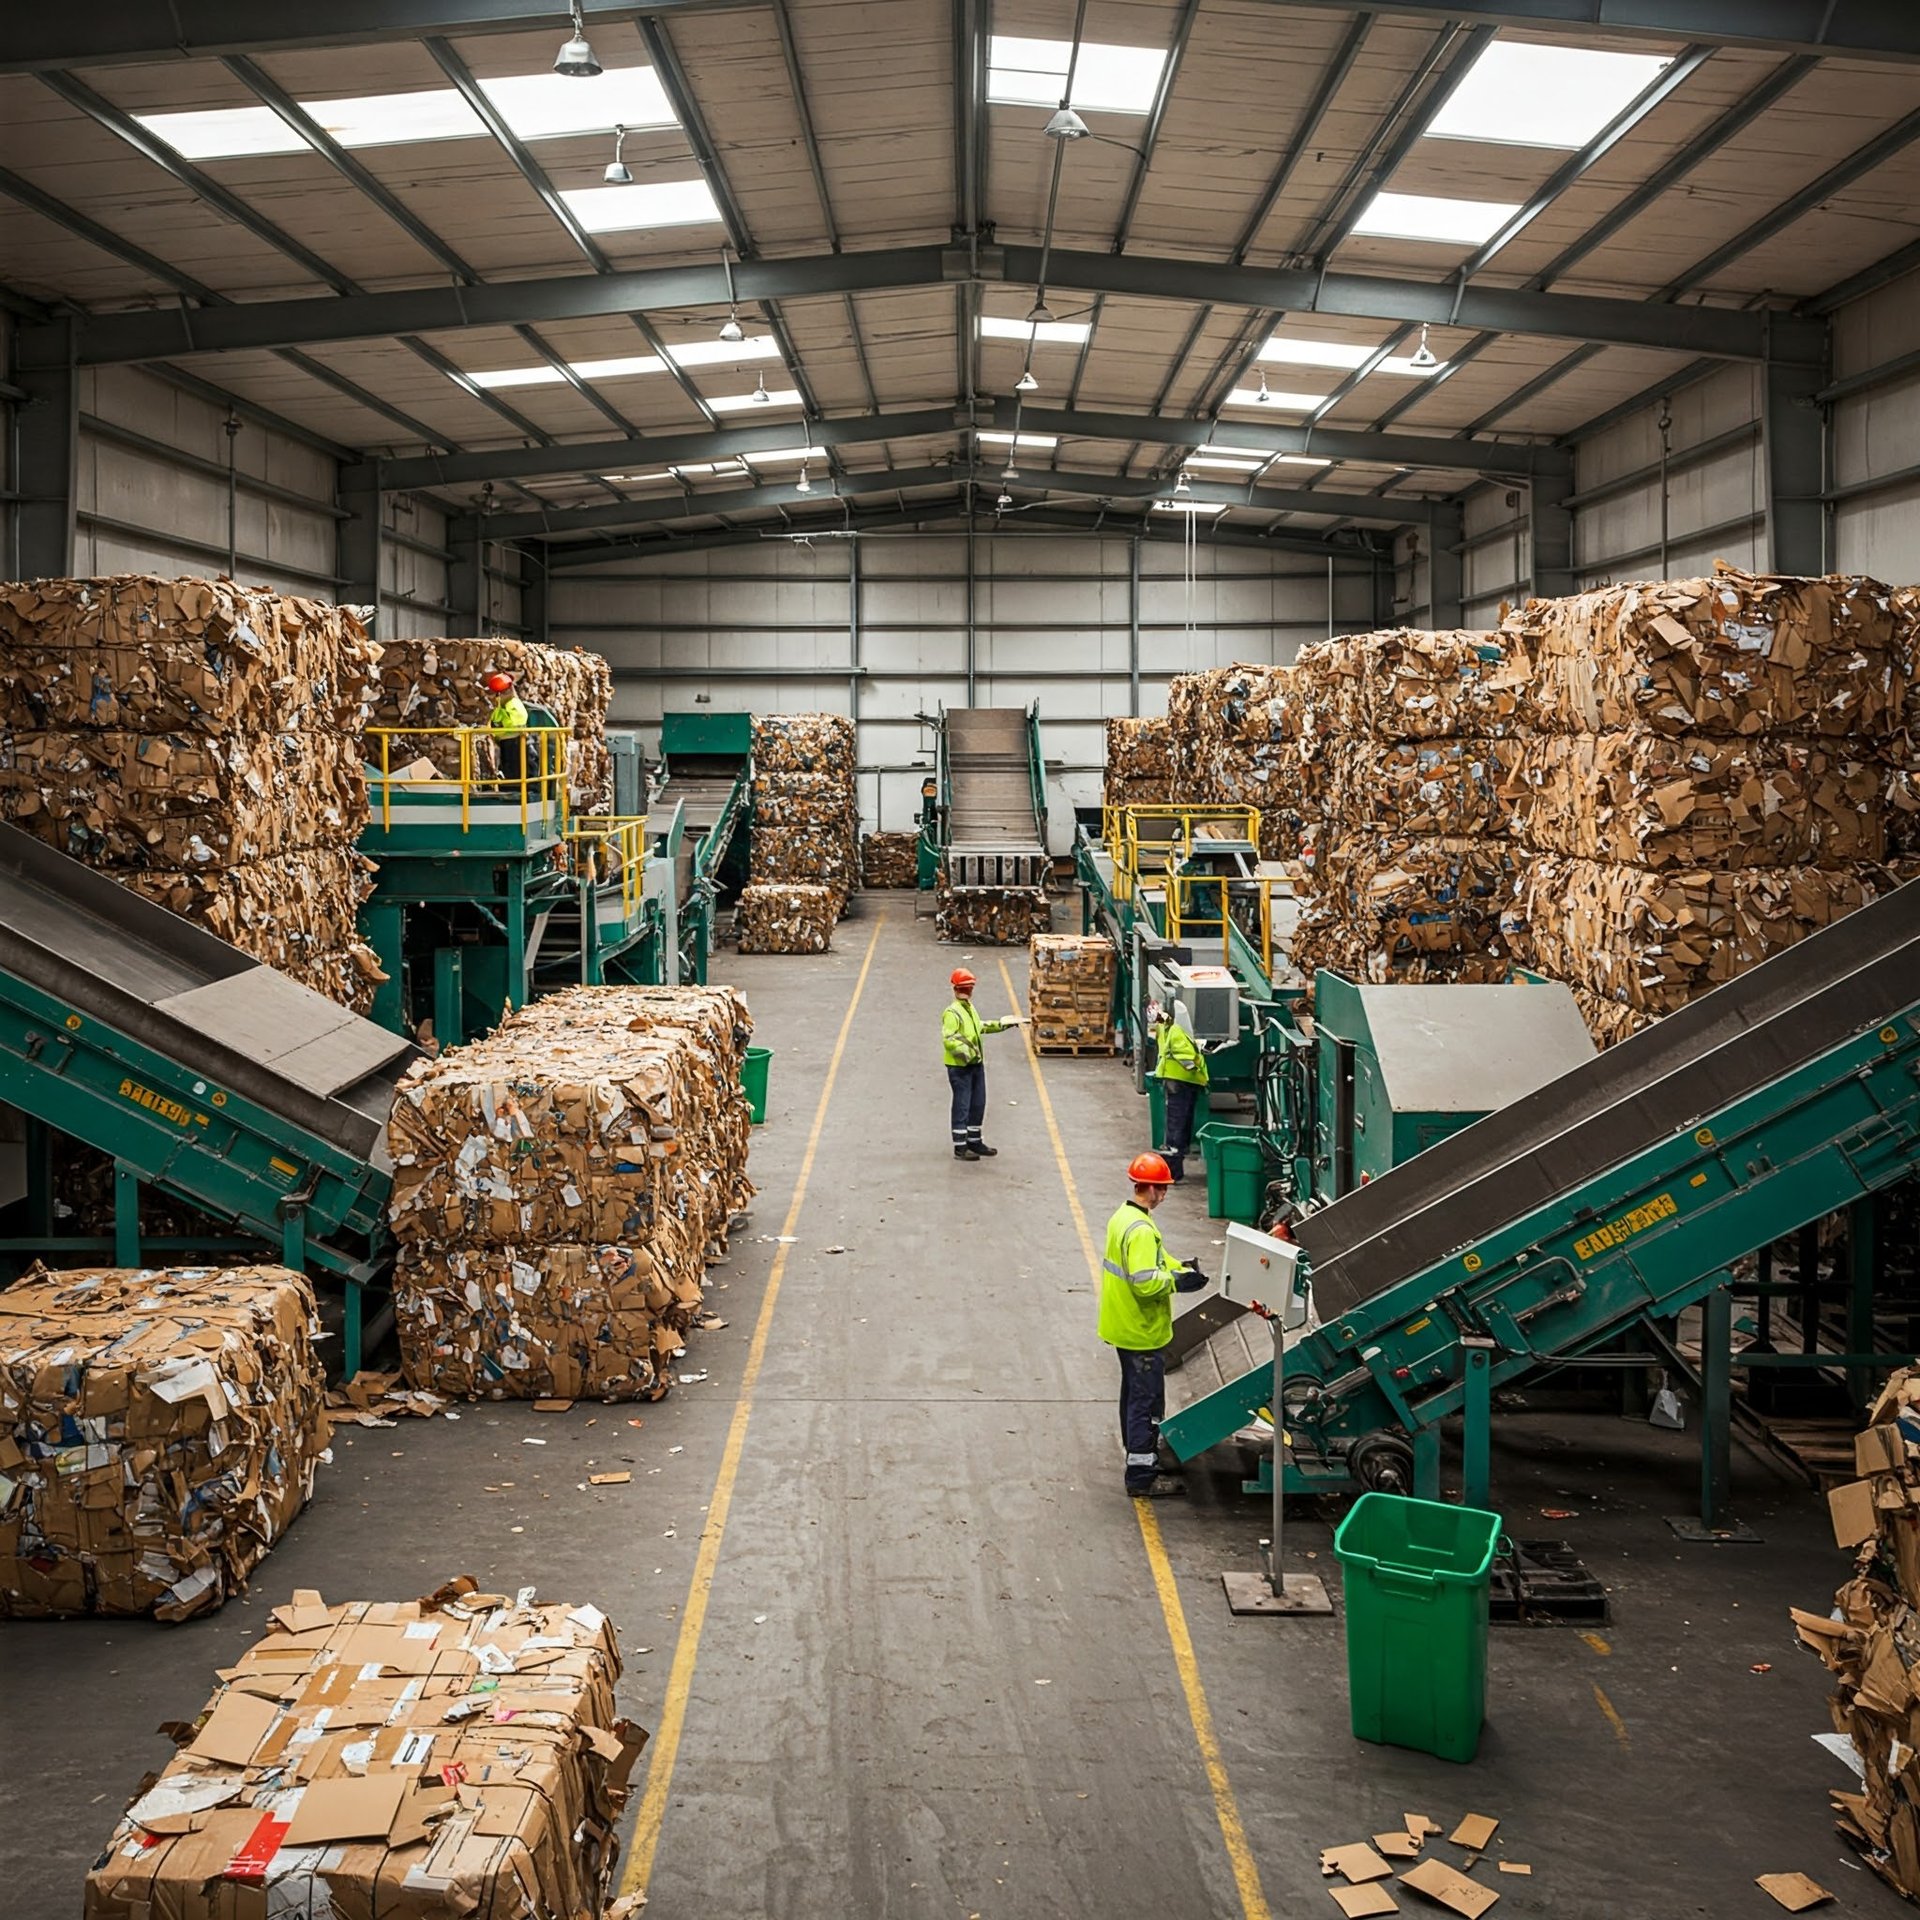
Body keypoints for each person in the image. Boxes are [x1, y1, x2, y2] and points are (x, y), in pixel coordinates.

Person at [1099, 1152, 1207, 1496]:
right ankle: (1142, 1477)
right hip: (1141, 1330)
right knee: (1146, 1404)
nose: (1164, 1195)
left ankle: (1136, 1454)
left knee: (1132, 1397)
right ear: (1153, 1189)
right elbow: (1145, 1282)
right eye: (1163, 1189)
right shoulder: (1142, 1229)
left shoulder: (1124, 1217)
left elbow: (1153, 1262)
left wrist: (1181, 1267)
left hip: (1123, 1326)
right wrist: (1178, 1283)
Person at [941, 967, 1023, 1161]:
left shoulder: (969, 1009)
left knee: (978, 1103)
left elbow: (980, 1027)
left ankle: (974, 1141)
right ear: (957, 989)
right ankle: (960, 1147)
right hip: (961, 1067)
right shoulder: (952, 1013)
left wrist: (1003, 1024)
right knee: (962, 1104)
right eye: (965, 988)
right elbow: (949, 1040)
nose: (967, 991)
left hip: (975, 1064)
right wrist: (968, 1055)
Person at [1149, 999, 1209, 1184]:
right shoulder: (1177, 1032)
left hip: (1179, 1083)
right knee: (1177, 1127)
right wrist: (1198, 1055)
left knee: (1179, 1125)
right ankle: (1173, 1172)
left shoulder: (1168, 1027)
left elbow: (1162, 1021)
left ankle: (1175, 1170)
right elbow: (1188, 1060)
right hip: (1181, 1082)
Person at [486, 671, 529, 787]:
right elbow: (496, 717)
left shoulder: (513, 703)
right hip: (506, 740)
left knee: (513, 768)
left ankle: (515, 788)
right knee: (506, 767)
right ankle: (508, 786)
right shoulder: (504, 704)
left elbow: (518, 720)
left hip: (515, 740)